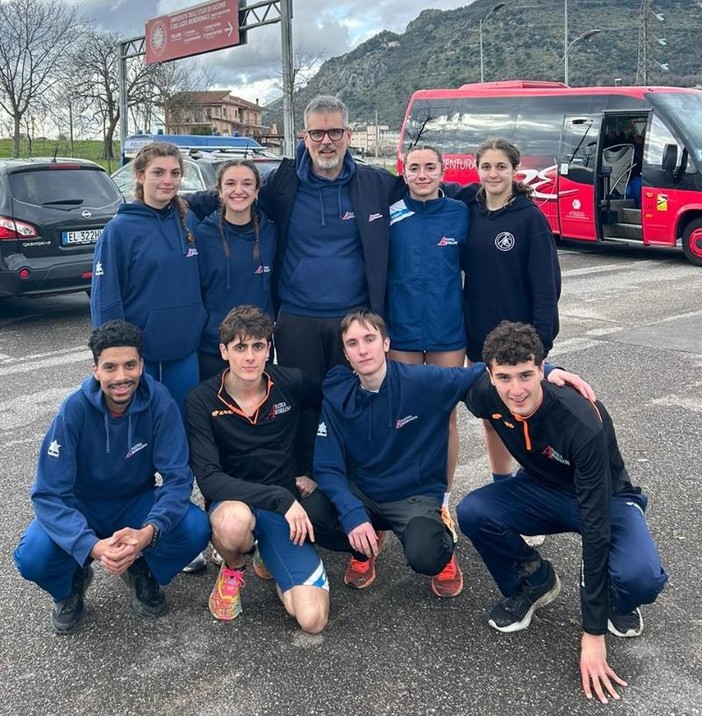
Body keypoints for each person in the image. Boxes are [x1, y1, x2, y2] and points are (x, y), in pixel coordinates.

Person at [455, 321, 667, 705]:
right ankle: (534, 581)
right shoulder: (485, 391)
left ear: (542, 368)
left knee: (642, 578)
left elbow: (595, 520)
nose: (515, 389)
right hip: (542, 490)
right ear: (490, 374)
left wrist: (593, 634)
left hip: (607, 498)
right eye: (504, 377)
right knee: (473, 511)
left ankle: (613, 593)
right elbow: (443, 382)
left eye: (526, 374)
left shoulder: (581, 419)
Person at [186, 95, 405, 467]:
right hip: (297, 319)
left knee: (354, 400)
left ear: (348, 134)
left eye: (334, 131)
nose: (326, 141)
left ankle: (356, 480)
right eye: (317, 132)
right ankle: (308, 477)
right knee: (302, 406)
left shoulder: (374, 183)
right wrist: (177, 205)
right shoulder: (283, 183)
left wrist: (491, 194)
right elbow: (234, 196)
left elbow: (422, 189)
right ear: (304, 136)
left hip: (352, 319)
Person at [313, 309, 589, 597]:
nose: (362, 350)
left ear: (385, 344)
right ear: (345, 353)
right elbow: (327, 466)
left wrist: (548, 369)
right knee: (311, 517)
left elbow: (481, 371)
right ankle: (363, 545)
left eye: (369, 339)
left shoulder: (423, 381)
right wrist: (353, 514)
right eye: (352, 343)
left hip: (412, 496)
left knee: (427, 556)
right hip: (363, 492)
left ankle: (444, 539)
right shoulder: (337, 391)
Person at [13, 320, 211, 634]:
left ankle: (141, 567)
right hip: (83, 506)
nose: (121, 377)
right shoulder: (73, 411)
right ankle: (69, 587)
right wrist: (91, 546)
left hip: (135, 502)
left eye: (130, 365)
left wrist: (149, 532)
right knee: (32, 555)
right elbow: (49, 494)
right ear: (95, 370)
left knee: (196, 527)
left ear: (142, 365)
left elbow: (177, 479)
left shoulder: (159, 401)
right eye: (110, 367)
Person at [185, 305, 345, 633]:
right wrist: (280, 499)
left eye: (258, 346)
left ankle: (268, 557)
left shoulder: (291, 382)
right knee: (233, 525)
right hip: (235, 503)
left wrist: (313, 469)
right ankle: (233, 565)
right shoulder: (201, 400)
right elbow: (211, 481)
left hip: (281, 510)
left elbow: (332, 410)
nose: (250, 357)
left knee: (313, 620)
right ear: (224, 351)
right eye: (240, 347)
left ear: (268, 349)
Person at [386, 144, 469, 596]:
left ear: (442, 171)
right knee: (399, 417)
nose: (421, 173)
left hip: (446, 332)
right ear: (405, 171)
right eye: (414, 167)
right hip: (399, 331)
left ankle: (442, 501)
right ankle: (395, 498)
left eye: (429, 167)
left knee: (444, 418)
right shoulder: (392, 212)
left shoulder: (459, 212)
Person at [456, 137, 561, 488]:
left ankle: (540, 487)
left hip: (521, 340)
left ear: (515, 170)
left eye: (501, 166)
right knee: (494, 417)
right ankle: (502, 486)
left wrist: (541, 343)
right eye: (486, 166)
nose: (493, 173)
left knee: (528, 418)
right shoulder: (469, 207)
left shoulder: (530, 219)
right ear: (477, 169)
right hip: (480, 338)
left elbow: (547, 288)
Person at [90, 141, 206, 420]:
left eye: (175, 173)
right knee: (140, 431)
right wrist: (112, 355)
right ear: (140, 176)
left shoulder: (188, 219)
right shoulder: (119, 231)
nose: (168, 181)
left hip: (185, 351)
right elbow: (106, 299)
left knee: (184, 426)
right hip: (142, 357)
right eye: (158, 172)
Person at [195, 159, 277, 380]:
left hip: (258, 347)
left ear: (257, 191)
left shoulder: (272, 233)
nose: (239, 191)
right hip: (214, 348)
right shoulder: (202, 235)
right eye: (230, 184)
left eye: (247, 184)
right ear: (219, 192)